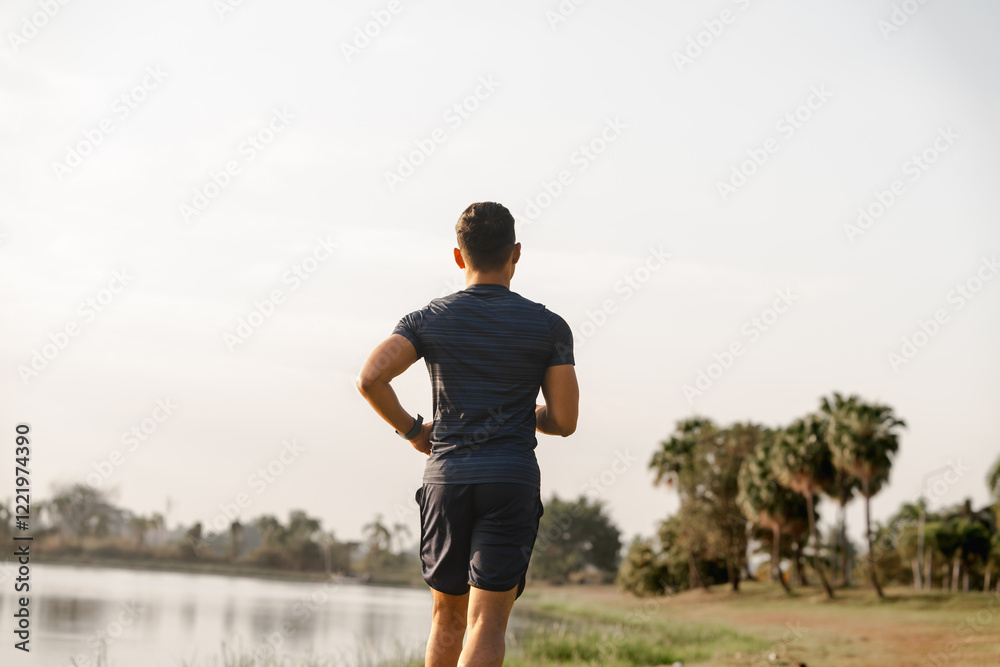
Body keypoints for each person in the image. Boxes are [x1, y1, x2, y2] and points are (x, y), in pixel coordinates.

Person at [356, 201, 579, 666]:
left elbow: (371, 378)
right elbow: (564, 421)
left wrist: (413, 431)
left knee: (446, 619)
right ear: (516, 253)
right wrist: (524, 413)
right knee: (488, 623)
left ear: (459, 256)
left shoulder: (427, 319)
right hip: (510, 481)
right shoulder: (549, 326)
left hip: (448, 479)